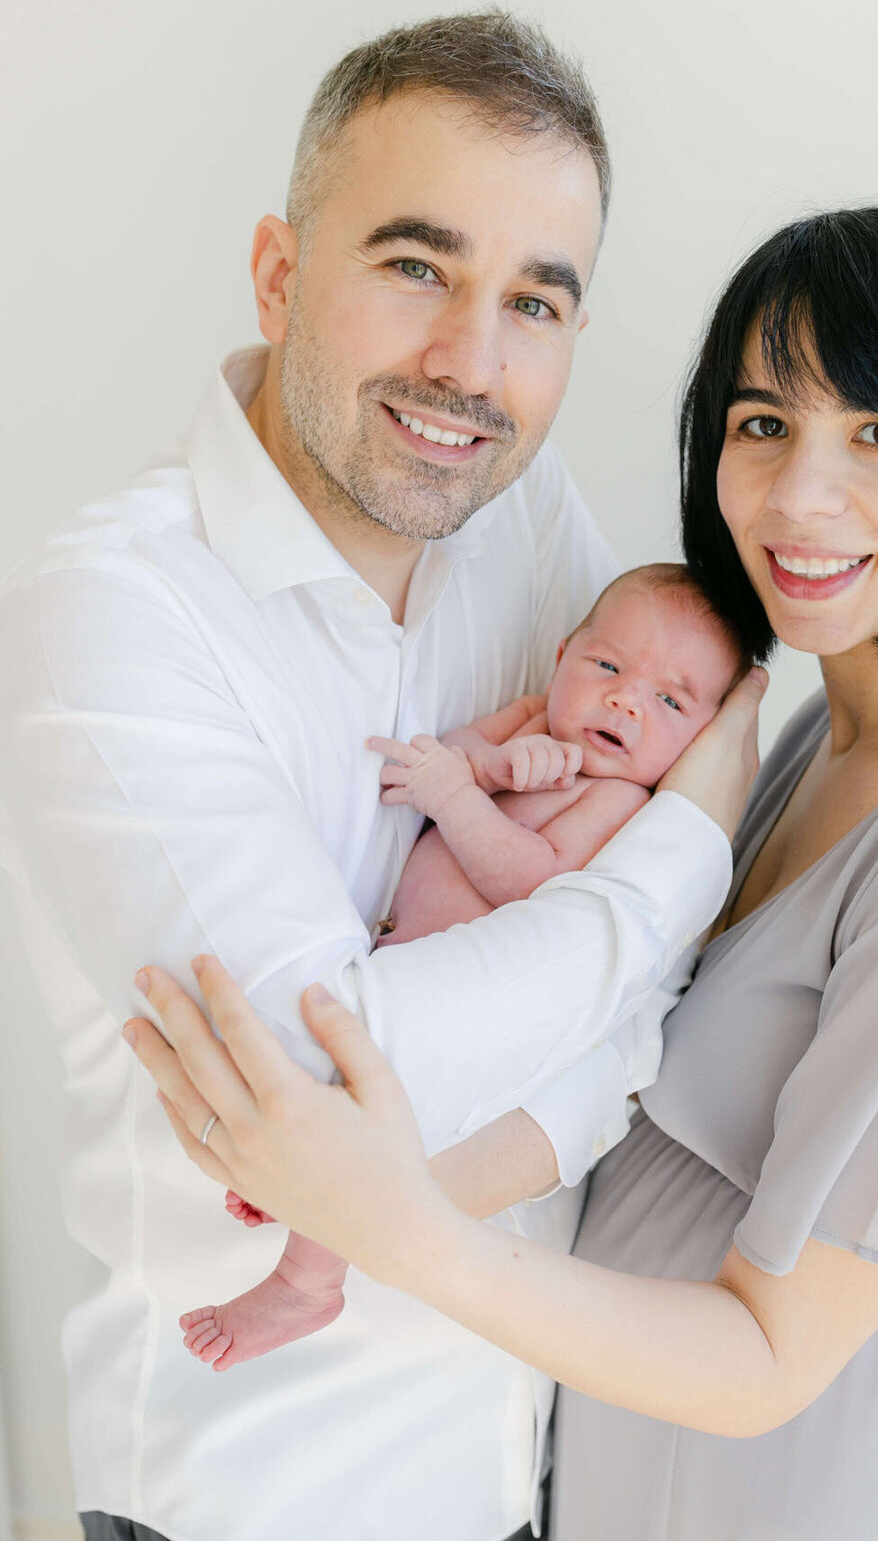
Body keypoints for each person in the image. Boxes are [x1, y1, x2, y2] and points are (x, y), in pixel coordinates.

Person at [128, 207, 878, 1541]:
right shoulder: (828, 722)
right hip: (654, 1498)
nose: (799, 496)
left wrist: (395, 1227)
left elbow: (767, 1352)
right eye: (763, 421)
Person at [0, 10, 764, 1541]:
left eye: (537, 302)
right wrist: (673, 864)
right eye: (417, 266)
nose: (472, 366)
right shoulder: (113, 614)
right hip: (270, 1517)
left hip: (515, 1457)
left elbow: (621, 1012)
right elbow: (316, 1091)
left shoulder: (528, 528)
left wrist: (594, 1062)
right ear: (278, 271)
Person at [181, 564, 752, 1372]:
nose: (626, 699)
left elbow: (533, 877)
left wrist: (458, 798)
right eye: (608, 667)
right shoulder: (532, 722)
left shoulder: (619, 803)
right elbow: (448, 756)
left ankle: (309, 1280)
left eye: (671, 701)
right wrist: (488, 763)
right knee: (320, 1092)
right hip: (391, 965)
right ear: (562, 658)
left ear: (700, 742)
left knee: (374, 1123)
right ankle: (290, 1184)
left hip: (460, 1025)